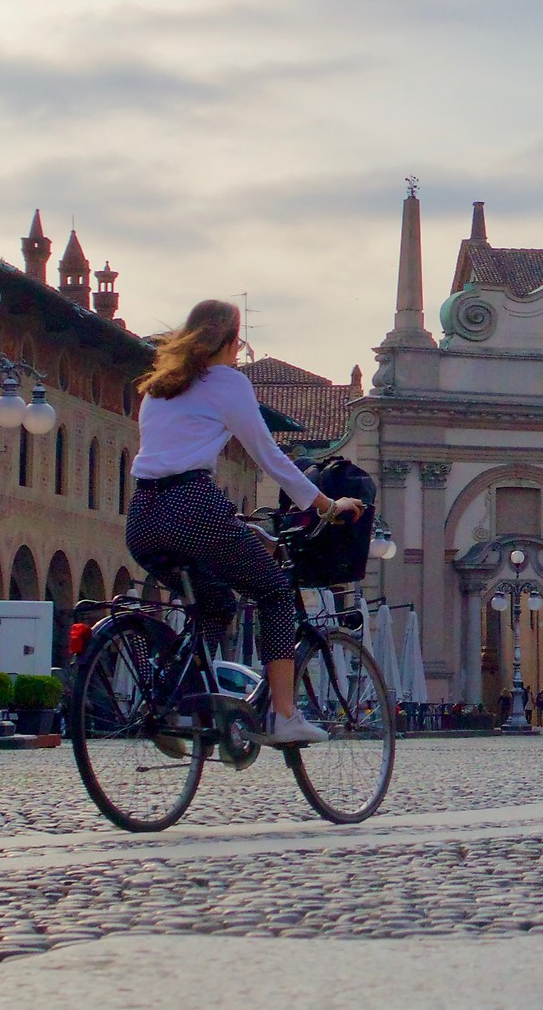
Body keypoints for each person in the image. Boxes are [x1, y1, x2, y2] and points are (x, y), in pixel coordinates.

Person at [124, 299, 364, 748]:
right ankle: (285, 716)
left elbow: (170, 455)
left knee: (216, 604)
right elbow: (269, 455)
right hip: (192, 504)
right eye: (238, 343)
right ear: (230, 341)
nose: (238, 352)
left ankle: (172, 704)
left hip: (142, 515)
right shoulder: (227, 382)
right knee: (274, 592)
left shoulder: (159, 387)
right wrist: (325, 505)